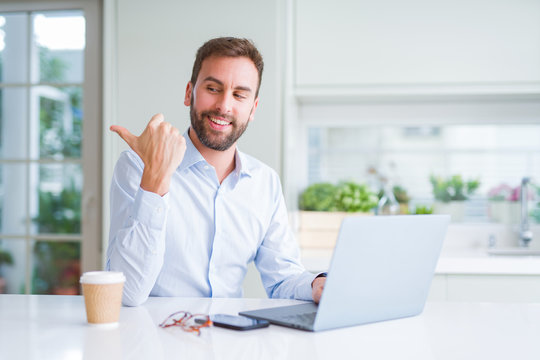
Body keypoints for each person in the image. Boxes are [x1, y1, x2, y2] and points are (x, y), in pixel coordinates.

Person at [107, 37, 326, 306]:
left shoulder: (265, 182)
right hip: (156, 340)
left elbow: (282, 279)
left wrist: (317, 284)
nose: (224, 106)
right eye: (213, 88)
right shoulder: (138, 165)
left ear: (253, 108)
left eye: (239, 95)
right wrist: (156, 178)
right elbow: (127, 294)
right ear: (190, 93)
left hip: (231, 341)